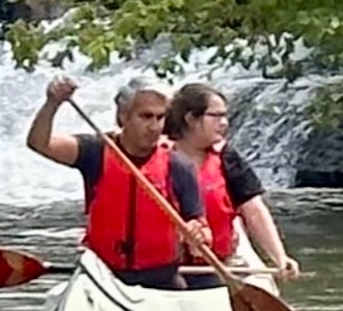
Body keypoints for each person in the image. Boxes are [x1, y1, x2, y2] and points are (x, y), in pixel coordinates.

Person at [26, 75, 211, 289]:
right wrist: (52, 103)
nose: (154, 127)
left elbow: (201, 227)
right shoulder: (95, 151)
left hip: (161, 278)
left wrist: (198, 235)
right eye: (146, 116)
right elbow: (39, 143)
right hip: (103, 276)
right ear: (123, 117)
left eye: (160, 118)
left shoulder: (178, 166)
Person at [165, 82, 301, 282]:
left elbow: (253, 209)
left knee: (261, 286)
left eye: (224, 116)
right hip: (169, 264)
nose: (224, 123)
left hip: (224, 260)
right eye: (216, 116)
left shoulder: (227, 157)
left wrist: (280, 257)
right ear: (191, 119)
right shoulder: (157, 156)